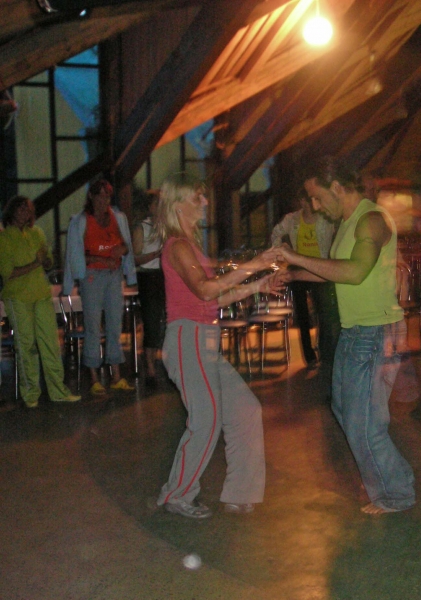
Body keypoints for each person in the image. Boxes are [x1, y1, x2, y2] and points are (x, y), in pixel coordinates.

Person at [276, 156, 415, 515]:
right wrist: (293, 274)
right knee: (344, 409)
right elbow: (337, 271)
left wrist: (296, 257)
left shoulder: (371, 219)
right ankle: (390, 480)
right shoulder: (348, 223)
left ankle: (396, 492)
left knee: (363, 423)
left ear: (337, 187)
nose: (315, 205)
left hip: (375, 331)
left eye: (318, 196)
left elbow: (354, 272)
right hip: (356, 332)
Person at [155, 175, 278, 519]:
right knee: (206, 420)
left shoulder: (190, 246)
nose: (205, 203)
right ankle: (177, 495)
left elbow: (213, 298)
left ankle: (240, 492)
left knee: (245, 409)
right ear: (178, 204)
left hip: (202, 341)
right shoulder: (178, 246)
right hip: (188, 340)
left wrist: (257, 286)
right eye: (198, 198)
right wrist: (255, 265)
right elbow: (206, 290)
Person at [0, 196, 80, 408]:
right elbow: (8, 273)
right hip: (17, 297)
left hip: (40, 294)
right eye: (20, 209)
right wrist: (36, 263)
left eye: (27, 209)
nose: (24, 213)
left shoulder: (37, 233)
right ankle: (30, 393)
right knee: (26, 345)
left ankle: (58, 391)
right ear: (12, 211)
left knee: (50, 344)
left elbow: (48, 263)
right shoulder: (4, 238)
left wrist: (46, 260)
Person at [63, 179, 136, 395]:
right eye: (100, 195)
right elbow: (76, 257)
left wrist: (122, 250)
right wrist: (102, 259)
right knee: (93, 326)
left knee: (114, 324)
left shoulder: (117, 218)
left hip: (113, 275)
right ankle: (94, 377)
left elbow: (126, 245)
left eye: (107, 196)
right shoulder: (81, 221)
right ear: (91, 197)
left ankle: (116, 375)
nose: (104, 200)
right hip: (92, 277)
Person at [271, 188, 340, 378]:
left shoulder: (325, 218)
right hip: (298, 270)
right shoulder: (292, 219)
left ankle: (325, 354)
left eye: (312, 200)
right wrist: (280, 250)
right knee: (302, 315)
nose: (310, 204)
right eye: (306, 200)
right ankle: (309, 356)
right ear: (301, 201)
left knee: (324, 312)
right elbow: (276, 232)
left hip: (319, 268)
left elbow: (338, 231)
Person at [132, 190, 165, 382]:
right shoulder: (142, 228)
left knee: (162, 321)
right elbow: (135, 258)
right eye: (157, 204)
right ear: (150, 207)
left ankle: (157, 361)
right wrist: (156, 255)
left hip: (163, 275)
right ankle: (150, 366)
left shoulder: (165, 227)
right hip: (148, 276)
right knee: (151, 321)